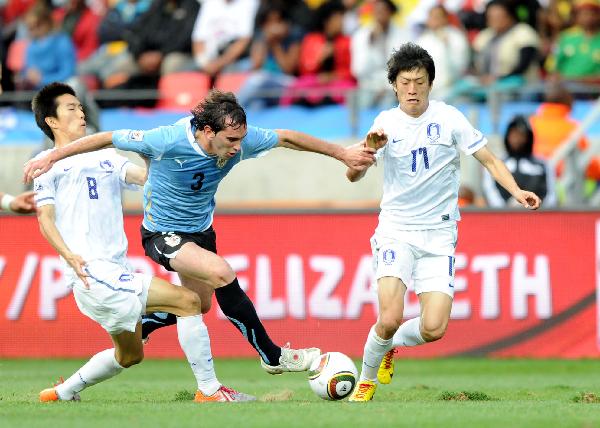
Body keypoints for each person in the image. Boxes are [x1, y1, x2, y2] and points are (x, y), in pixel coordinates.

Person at [24, 89, 375, 376]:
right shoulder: (165, 140)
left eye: (241, 139)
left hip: (200, 231)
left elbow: (287, 137)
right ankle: (272, 355)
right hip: (161, 232)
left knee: (199, 304)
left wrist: (342, 153)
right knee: (222, 272)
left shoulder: (241, 139)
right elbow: (105, 138)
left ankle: (139, 326)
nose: (238, 147)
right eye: (231, 140)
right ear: (208, 132)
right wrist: (53, 158)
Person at [31, 82, 254, 403]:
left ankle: (61, 393)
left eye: (80, 107)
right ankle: (210, 391)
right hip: (92, 272)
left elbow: (148, 177)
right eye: (71, 108)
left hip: (113, 270)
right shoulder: (47, 164)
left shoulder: (105, 155)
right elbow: (45, 218)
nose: (81, 113)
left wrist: (164, 153)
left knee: (130, 356)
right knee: (189, 301)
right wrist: (69, 255)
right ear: (51, 121)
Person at [344, 43, 541, 402]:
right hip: (396, 231)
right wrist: (368, 151)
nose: (412, 89)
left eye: (419, 81)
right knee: (388, 317)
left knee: (434, 328)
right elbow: (351, 176)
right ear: (393, 85)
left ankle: (388, 346)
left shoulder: (450, 118)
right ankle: (366, 381)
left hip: (439, 235)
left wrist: (516, 191)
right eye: (405, 82)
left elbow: (490, 160)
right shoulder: (385, 123)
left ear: (430, 83)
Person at [483, 115, 557, 207]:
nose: (517, 139)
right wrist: (505, 209)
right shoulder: (497, 163)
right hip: (504, 216)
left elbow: (551, 195)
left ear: (528, 138)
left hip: (537, 214)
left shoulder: (542, 164)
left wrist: (537, 207)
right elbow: (491, 191)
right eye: (513, 134)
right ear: (507, 136)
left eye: (521, 135)